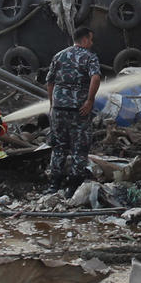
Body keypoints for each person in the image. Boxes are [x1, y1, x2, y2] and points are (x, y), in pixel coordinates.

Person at [44, 27, 102, 192]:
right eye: (90, 40)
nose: (91, 43)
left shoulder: (59, 55)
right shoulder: (90, 57)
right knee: (79, 147)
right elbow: (96, 77)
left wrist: (52, 104)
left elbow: (50, 82)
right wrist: (90, 100)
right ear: (84, 40)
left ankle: (54, 184)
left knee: (59, 146)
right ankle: (73, 186)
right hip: (79, 110)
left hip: (59, 109)